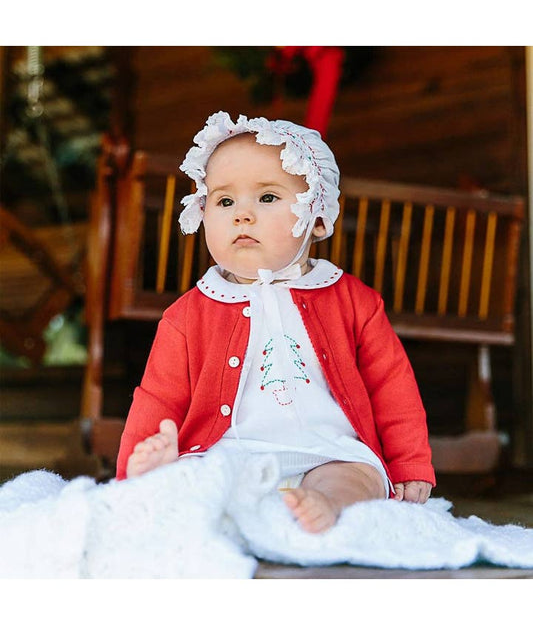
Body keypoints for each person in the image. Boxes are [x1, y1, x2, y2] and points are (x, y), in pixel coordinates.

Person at [116, 111, 435, 534]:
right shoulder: (188, 315)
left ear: (317, 217)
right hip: (227, 452)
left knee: (358, 479)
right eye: (224, 201)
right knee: (198, 477)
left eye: (267, 198)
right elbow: (157, 398)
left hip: (328, 451)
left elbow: (391, 385)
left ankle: (325, 502)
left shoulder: (353, 301)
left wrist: (409, 462)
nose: (242, 214)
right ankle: (158, 483)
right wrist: (131, 466)